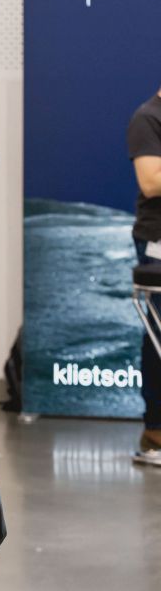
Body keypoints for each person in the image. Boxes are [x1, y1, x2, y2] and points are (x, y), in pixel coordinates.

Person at [127, 90, 161, 465]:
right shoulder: (148, 117)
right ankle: (155, 430)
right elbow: (151, 182)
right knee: (158, 336)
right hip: (157, 244)